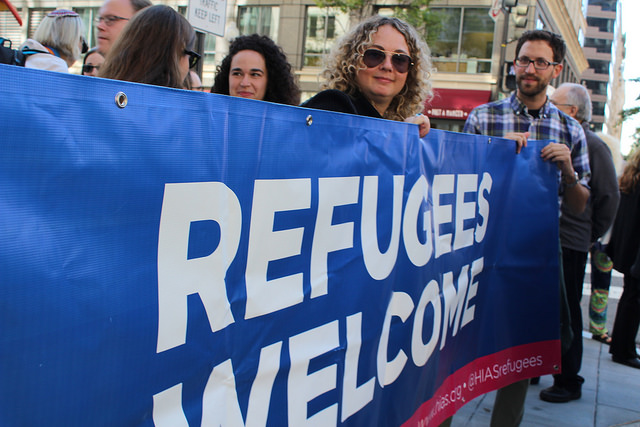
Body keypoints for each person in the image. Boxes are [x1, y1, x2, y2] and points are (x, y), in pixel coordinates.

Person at [460, 30, 591, 424]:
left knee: (516, 357)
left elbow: (580, 204)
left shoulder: (571, 131)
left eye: (538, 62)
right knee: (455, 345)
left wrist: (567, 169)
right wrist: (497, 158)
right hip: (479, 252)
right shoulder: (483, 117)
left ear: (555, 70)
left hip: (532, 259)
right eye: (523, 60)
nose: (528, 69)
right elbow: (460, 185)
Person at [550, 83, 620, 347]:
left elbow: (609, 197)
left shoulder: (592, 145)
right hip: (558, 237)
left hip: (571, 241)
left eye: (554, 105)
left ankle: (568, 380)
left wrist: (590, 235)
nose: (549, 110)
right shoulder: (564, 136)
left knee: (567, 312)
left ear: (573, 110)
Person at [301, 15, 432, 138]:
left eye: (400, 60)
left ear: (410, 72)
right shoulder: (332, 105)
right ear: (352, 61)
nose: (387, 66)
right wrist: (400, 137)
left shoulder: (390, 124)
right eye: (375, 55)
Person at [99, 5, 199, 89]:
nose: (100, 26)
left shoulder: (100, 94)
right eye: (191, 58)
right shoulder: (178, 109)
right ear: (177, 52)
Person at [606, 148, 640, 369]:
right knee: (633, 300)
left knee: (630, 297)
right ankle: (624, 349)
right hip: (636, 252)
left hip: (628, 248)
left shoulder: (630, 179)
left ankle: (621, 346)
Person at [211, 34, 300, 105]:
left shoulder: (287, 126)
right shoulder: (208, 122)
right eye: (237, 74)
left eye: (255, 75)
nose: (244, 83)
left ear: (270, 80)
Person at [19, 9, 87, 72]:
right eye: (80, 38)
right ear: (71, 40)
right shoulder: (56, 65)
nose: (81, 46)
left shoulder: (28, 54)